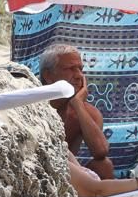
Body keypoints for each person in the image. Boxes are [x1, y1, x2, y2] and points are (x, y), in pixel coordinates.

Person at [40, 43, 113, 179]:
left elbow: (101, 151)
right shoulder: (34, 108)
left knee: (104, 165)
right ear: (48, 76)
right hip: (38, 172)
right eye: (70, 69)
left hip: (68, 175)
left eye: (80, 69)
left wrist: (78, 104)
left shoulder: (88, 112)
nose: (79, 75)